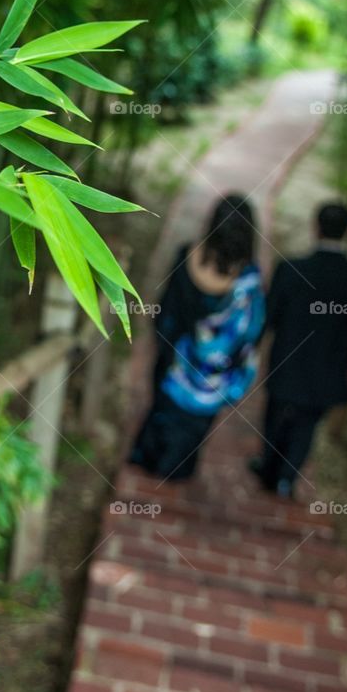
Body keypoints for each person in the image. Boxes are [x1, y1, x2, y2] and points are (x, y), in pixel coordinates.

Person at [130, 193, 265, 482]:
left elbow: (166, 311)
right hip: (214, 374)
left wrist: (164, 344)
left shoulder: (188, 256)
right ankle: (176, 470)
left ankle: (149, 459)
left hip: (175, 360)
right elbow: (251, 330)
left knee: (162, 409)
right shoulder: (249, 279)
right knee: (195, 423)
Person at [252, 201, 347, 499]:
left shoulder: (291, 268)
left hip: (287, 360)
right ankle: (286, 478)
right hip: (329, 368)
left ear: (315, 227)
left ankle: (268, 467)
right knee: (306, 424)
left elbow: (269, 316)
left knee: (276, 414)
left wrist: (253, 347)